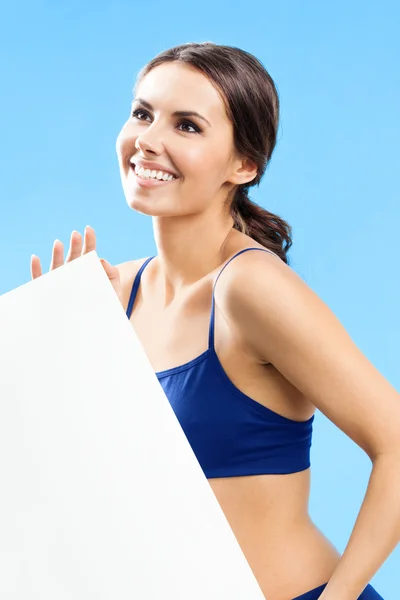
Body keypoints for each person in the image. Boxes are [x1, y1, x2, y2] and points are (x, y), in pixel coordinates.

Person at [30, 43, 399, 600]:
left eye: (187, 126)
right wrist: (56, 351)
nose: (149, 140)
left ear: (243, 165)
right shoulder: (115, 294)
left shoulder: (250, 289)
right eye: (142, 113)